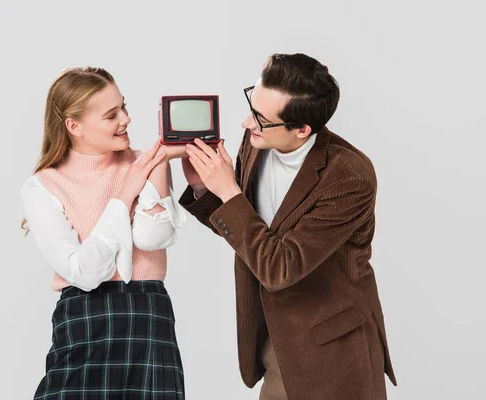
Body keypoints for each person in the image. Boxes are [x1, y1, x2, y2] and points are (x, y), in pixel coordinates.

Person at [178, 53, 397, 399]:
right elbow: (249, 237)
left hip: (333, 353)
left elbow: (280, 266)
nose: (247, 124)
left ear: (302, 130)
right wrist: (207, 189)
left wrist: (228, 191)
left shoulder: (349, 176)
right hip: (275, 343)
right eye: (252, 105)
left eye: (261, 119)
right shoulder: (258, 144)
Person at [20, 67, 186, 399]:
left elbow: (152, 239)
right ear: (74, 126)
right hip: (85, 317)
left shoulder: (144, 162)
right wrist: (127, 192)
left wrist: (160, 166)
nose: (126, 119)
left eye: (123, 107)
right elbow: (85, 272)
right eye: (111, 115)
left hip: (148, 315)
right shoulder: (44, 185)